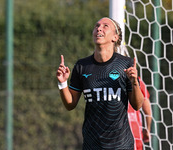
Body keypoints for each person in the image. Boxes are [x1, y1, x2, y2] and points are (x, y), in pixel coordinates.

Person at [56, 17, 144, 150]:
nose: (99, 28)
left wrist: (134, 83)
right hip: (92, 144)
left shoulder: (126, 64)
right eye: (97, 26)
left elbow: (137, 105)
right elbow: (70, 104)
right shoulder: (82, 66)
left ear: (115, 37)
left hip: (121, 145)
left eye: (105, 26)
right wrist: (63, 84)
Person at [128, 76, 152, 150]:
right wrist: (147, 130)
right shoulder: (136, 80)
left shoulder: (106, 80)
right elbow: (147, 110)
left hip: (113, 134)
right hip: (135, 133)